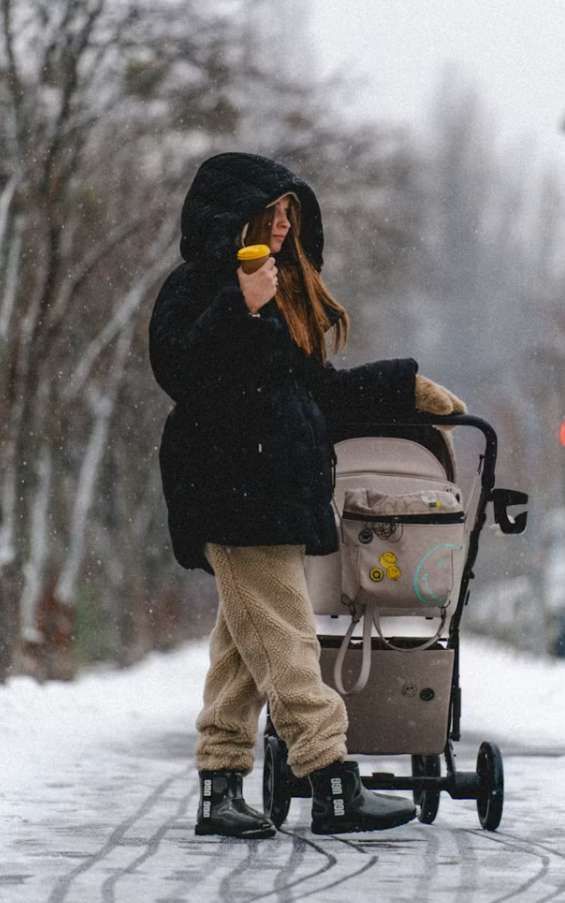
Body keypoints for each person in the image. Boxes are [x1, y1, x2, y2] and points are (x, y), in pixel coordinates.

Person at [149, 153, 466, 839]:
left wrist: (404, 389)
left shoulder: (278, 292)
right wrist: (240, 303)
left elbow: (313, 392)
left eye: (292, 212)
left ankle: (220, 785)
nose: (288, 224)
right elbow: (184, 375)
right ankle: (330, 778)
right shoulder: (200, 288)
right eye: (275, 211)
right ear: (241, 217)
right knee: (289, 638)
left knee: (244, 643)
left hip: (273, 490)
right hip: (231, 488)